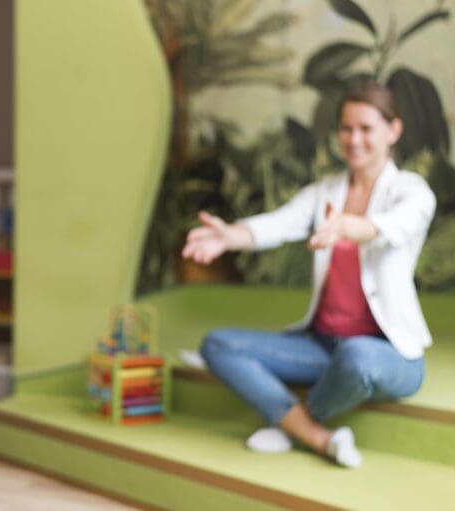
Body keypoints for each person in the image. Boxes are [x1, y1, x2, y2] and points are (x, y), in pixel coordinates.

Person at [181, 81, 435, 468]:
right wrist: (231, 235)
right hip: (323, 347)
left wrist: (349, 226)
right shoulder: (326, 192)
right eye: (346, 128)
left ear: (393, 130)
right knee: (218, 345)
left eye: (366, 128)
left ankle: (291, 427)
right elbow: (280, 223)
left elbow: (391, 227)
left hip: (387, 354)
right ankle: (317, 436)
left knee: (356, 356)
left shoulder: (412, 191)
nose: (354, 139)